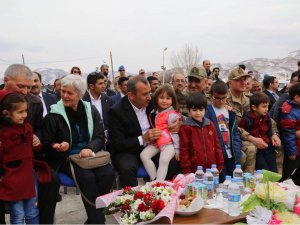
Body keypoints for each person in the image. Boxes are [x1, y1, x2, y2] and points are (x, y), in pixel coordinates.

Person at [42, 75, 115, 224]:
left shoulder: (90, 110)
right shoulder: (54, 114)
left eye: (70, 93)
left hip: (90, 156)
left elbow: (99, 136)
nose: (65, 96)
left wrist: (89, 147)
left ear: (80, 94)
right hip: (66, 158)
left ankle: (93, 220)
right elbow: (46, 143)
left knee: (108, 173)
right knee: (87, 178)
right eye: (63, 91)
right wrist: (59, 146)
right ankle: (98, 221)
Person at [2, 64, 59, 224]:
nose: (25, 92)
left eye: (29, 87)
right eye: (20, 86)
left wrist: (37, 137)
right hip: (4, 158)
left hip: (27, 157)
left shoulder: (34, 102)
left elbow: (40, 128)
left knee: (52, 179)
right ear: (5, 80)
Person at [108, 76, 180, 187]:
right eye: (144, 94)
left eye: (150, 92)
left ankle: (163, 193)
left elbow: (173, 111)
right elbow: (117, 144)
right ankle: (132, 200)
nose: (149, 97)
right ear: (131, 95)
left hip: (155, 145)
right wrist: (143, 138)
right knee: (126, 168)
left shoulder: (153, 102)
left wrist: (179, 123)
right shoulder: (116, 111)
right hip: (129, 151)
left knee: (172, 162)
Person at [0, 91, 51, 224]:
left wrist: (36, 143)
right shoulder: (3, 132)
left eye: (26, 111)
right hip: (12, 177)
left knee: (32, 211)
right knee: (17, 213)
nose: (25, 115)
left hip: (28, 174)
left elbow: (33, 149)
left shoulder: (27, 127)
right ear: (6, 113)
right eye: (20, 112)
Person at [140, 85, 181, 181]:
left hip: (169, 144)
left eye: (168, 98)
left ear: (172, 100)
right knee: (144, 155)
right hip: (158, 142)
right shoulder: (155, 112)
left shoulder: (172, 114)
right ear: (156, 99)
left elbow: (175, 133)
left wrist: (177, 149)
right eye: (161, 98)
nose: (164, 101)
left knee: (163, 160)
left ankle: (159, 183)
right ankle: (154, 179)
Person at [205, 81, 242, 181]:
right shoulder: (207, 111)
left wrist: (237, 150)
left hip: (232, 154)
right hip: (218, 155)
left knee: (233, 182)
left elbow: (235, 133)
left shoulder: (230, 112)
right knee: (221, 182)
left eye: (224, 98)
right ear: (211, 95)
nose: (221, 101)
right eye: (217, 98)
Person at [179, 93, 224, 173]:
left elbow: (217, 145)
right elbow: (184, 150)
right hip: (194, 169)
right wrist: (186, 170)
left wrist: (220, 163)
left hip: (212, 167)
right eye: (194, 110)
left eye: (201, 110)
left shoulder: (210, 124)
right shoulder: (186, 127)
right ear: (189, 110)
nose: (198, 113)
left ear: (205, 110)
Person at [239, 93, 281, 172]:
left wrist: (273, 136)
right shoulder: (246, 119)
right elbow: (241, 132)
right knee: (264, 170)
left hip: (267, 147)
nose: (267, 109)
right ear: (254, 107)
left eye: (267, 106)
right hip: (257, 149)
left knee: (274, 170)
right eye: (264, 106)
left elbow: (269, 130)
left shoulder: (266, 117)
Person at [278, 83, 300, 185]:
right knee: (288, 172)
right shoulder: (289, 110)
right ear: (296, 97)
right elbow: (288, 134)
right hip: (295, 148)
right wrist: (292, 152)